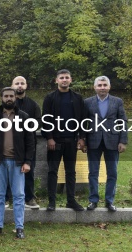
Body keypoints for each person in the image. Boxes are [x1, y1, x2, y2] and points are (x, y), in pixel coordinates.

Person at [0, 87, 34, 239]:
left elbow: (30, 142)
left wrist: (27, 162)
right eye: (6, 96)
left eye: (11, 96)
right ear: (1, 98)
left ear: (15, 98)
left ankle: (19, 228)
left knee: (19, 195)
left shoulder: (24, 116)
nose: (9, 98)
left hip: (18, 163)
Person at [42, 69, 86, 212]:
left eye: (67, 77)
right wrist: (49, 138)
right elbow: (46, 120)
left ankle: (71, 201)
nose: (64, 80)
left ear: (71, 80)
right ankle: (52, 202)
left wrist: (81, 138)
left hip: (71, 141)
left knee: (70, 172)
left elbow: (82, 120)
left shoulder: (77, 98)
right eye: (61, 78)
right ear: (56, 80)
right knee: (52, 171)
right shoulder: (50, 98)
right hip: (55, 141)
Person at [83, 76, 128, 212]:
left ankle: (109, 201)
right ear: (95, 87)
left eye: (105, 85)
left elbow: (123, 122)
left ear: (109, 87)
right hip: (93, 142)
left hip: (113, 142)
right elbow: (83, 123)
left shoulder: (117, 101)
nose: (102, 87)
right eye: (100, 85)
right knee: (93, 173)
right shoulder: (87, 102)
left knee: (112, 173)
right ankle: (93, 200)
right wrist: (83, 140)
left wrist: (123, 140)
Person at [10, 76, 41, 209]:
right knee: (8, 171)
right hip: (10, 144)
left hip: (29, 144)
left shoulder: (33, 105)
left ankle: (29, 198)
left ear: (26, 86)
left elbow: (38, 122)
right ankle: (8, 198)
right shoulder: (8, 104)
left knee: (29, 171)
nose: (20, 85)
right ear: (12, 86)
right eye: (17, 83)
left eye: (22, 83)